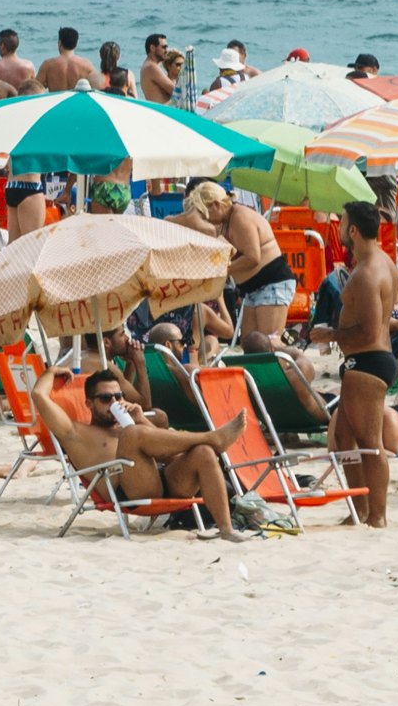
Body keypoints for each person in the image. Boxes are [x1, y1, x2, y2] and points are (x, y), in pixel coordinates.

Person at [54, 362, 247, 539]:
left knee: (204, 452)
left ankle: (226, 530)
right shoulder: (78, 433)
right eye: (105, 398)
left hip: (163, 479)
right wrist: (49, 372)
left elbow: (173, 456)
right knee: (131, 434)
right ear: (89, 404)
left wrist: (141, 419)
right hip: (130, 491)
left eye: (118, 397)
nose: (113, 403)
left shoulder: (129, 425)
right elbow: (38, 397)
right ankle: (213, 437)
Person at [326, 198, 398, 528]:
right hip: (372, 359)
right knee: (345, 438)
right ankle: (360, 510)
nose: (340, 229)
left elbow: (370, 330)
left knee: (371, 444)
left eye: (342, 223)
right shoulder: (386, 264)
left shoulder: (366, 274)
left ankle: (378, 515)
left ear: (353, 230)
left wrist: (330, 334)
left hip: (368, 362)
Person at [189, 178, 292, 348]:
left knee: (268, 344)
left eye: (205, 212)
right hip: (253, 288)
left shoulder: (240, 217)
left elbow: (252, 257)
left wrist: (223, 270)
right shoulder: (224, 221)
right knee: (249, 345)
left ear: (216, 205)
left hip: (272, 283)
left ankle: (298, 363)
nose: (205, 218)